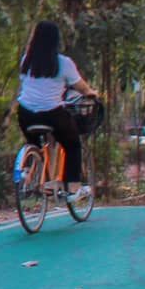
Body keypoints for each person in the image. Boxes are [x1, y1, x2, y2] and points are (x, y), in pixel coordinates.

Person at [16, 20, 98, 195]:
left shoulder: (26, 61)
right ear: (55, 40)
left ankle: (29, 170)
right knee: (73, 144)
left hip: (25, 113)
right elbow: (81, 87)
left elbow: (26, 84)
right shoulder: (63, 63)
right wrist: (91, 93)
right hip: (52, 113)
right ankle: (73, 188)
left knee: (34, 142)